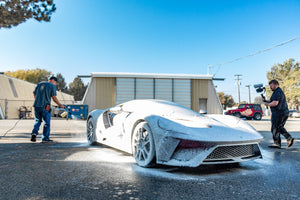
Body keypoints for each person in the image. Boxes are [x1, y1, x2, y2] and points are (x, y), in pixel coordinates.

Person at [31, 76, 66, 143]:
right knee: (47, 123)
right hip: (45, 107)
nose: (55, 84)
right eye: (55, 83)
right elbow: (54, 98)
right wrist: (60, 105)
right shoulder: (52, 86)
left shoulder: (39, 84)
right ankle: (45, 138)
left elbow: (34, 95)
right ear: (53, 80)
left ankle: (34, 133)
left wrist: (39, 101)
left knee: (38, 120)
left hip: (37, 106)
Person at [263, 79, 294, 148]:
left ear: (276, 85)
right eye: (270, 86)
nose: (271, 87)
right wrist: (266, 101)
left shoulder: (277, 92)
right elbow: (273, 101)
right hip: (282, 112)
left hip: (279, 113)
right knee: (279, 127)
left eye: (271, 86)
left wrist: (267, 104)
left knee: (275, 128)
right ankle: (288, 138)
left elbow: (275, 103)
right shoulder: (277, 92)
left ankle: (278, 143)